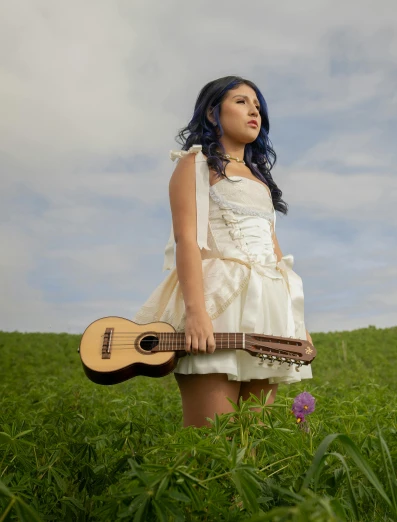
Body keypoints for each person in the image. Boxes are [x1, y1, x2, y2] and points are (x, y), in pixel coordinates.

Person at [133, 75, 313, 428]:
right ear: (213, 115)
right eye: (242, 102)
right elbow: (188, 241)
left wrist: (298, 326)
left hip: (269, 306)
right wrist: (197, 313)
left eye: (258, 106)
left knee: (255, 437)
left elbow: (276, 257)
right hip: (219, 303)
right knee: (210, 438)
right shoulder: (195, 164)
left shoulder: (260, 180)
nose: (254, 111)